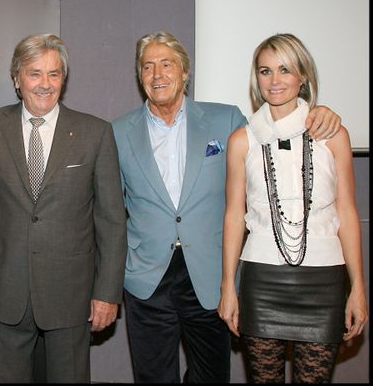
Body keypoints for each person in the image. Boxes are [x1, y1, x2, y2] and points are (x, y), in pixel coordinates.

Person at [112, 31, 342, 383]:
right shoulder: (117, 132)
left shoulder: (227, 120)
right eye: (148, 66)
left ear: (185, 73)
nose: (157, 74)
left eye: (167, 64)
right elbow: (109, 212)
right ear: (139, 76)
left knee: (212, 377)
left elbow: (279, 132)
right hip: (147, 279)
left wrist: (319, 112)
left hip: (209, 275)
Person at [0, 33, 127, 383]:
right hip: (2, 292)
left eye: (54, 74)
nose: (45, 84)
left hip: (71, 295)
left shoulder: (95, 133)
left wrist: (106, 293)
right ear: (16, 79)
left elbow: (112, 221)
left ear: (63, 80)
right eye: (35, 73)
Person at [217, 33, 368, 383]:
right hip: (261, 279)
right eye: (265, 71)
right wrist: (228, 285)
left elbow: (347, 212)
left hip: (324, 280)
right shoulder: (242, 140)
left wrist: (358, 286)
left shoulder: (334, 134)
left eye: (285, 70)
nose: (274, 81)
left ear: (303, 76)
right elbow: (233, 217)